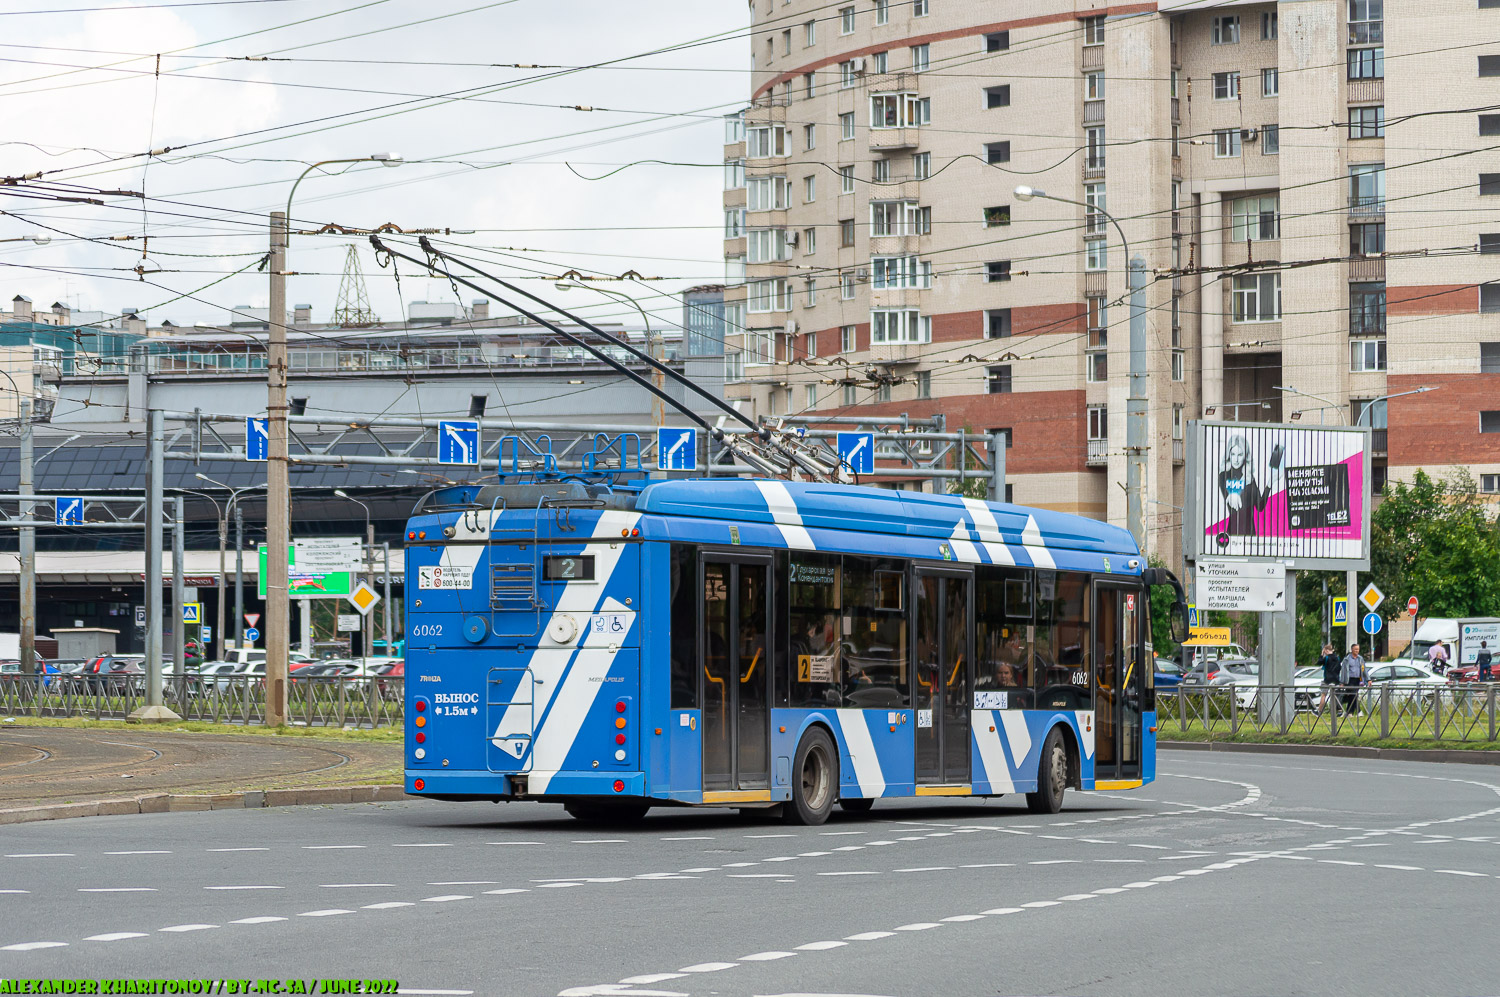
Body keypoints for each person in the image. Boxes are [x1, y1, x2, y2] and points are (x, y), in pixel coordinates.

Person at [1217, 434, 1281, 537]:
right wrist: (1234, 493)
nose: (1236, 459)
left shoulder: (1250, 478)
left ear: (1245, 456)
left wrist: (1270, 482)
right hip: (1233, 533)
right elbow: (1229, 496)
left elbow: (1260, 507)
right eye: (1233, 454)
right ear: (1229, 455)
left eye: (1240, 455)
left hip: (1250, 533)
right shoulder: (1224, 475)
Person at [1339, 642, 1365, 713]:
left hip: (1357, 680)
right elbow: (1343, 671)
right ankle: (1358, 711)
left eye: (1358, 649)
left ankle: (1349, 712)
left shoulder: (1360, 659)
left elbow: (1363, 669)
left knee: (1352, 695)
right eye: (1355, 649)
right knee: (1353, 694)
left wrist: (1368, 679)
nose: (1357, 651)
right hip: (1349, 680)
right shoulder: (1346, 659)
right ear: (1352, 649)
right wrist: (1342, 682)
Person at [1317, 642, 1341, 708]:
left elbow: (1319, 662)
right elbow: (1339, 668)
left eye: (1324, 651)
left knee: (1323, 695)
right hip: (1336, 679)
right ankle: (1336, 710)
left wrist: (1321, 655)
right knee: (1335, 696)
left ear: (1326, 650)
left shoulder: (1327, 658)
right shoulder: (1338, 658)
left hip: (1327, 679)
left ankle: (1320, 710)